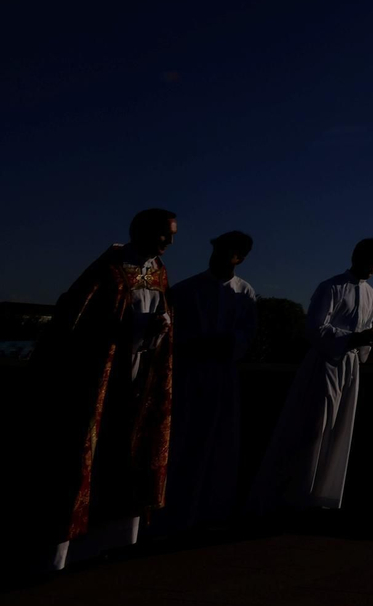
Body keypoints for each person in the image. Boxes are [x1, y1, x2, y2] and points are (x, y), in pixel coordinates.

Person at [28, 208, 178, 570]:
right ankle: (61, 555)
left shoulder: (158, 271)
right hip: (102, 378)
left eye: (172, 235)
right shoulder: (109, 269)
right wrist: (120, 328)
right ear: (141, 231)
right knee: (87, 457)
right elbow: (74, 317)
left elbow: (161, 311)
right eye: (163, 234)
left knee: (128, 458)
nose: (169, 242)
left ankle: (111, 544)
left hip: (139, 378)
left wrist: (162, 325)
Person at [250, 238, 373, 514]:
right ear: (356, 257)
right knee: (314, 426)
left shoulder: (370, 292)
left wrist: (368, 339)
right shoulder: (331, 287)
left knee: (338, 428)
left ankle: (322, 493)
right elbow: (315, 329)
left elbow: (365, 327)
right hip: (324, 364)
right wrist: (353, 338)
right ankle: (296, 492)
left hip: (350, 367)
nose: (372, 268)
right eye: (369, 261)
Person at [160, 231, 259, 535]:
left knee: (218, 443)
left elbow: (248, 334)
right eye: (216, 251)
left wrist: (228, 345)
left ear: (239, 258)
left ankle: (209, 510)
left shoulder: (246, 293)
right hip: (190, 375)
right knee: (184, 440)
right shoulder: (186, 290)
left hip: (222, 376)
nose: (217, 257)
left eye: (226, 253)